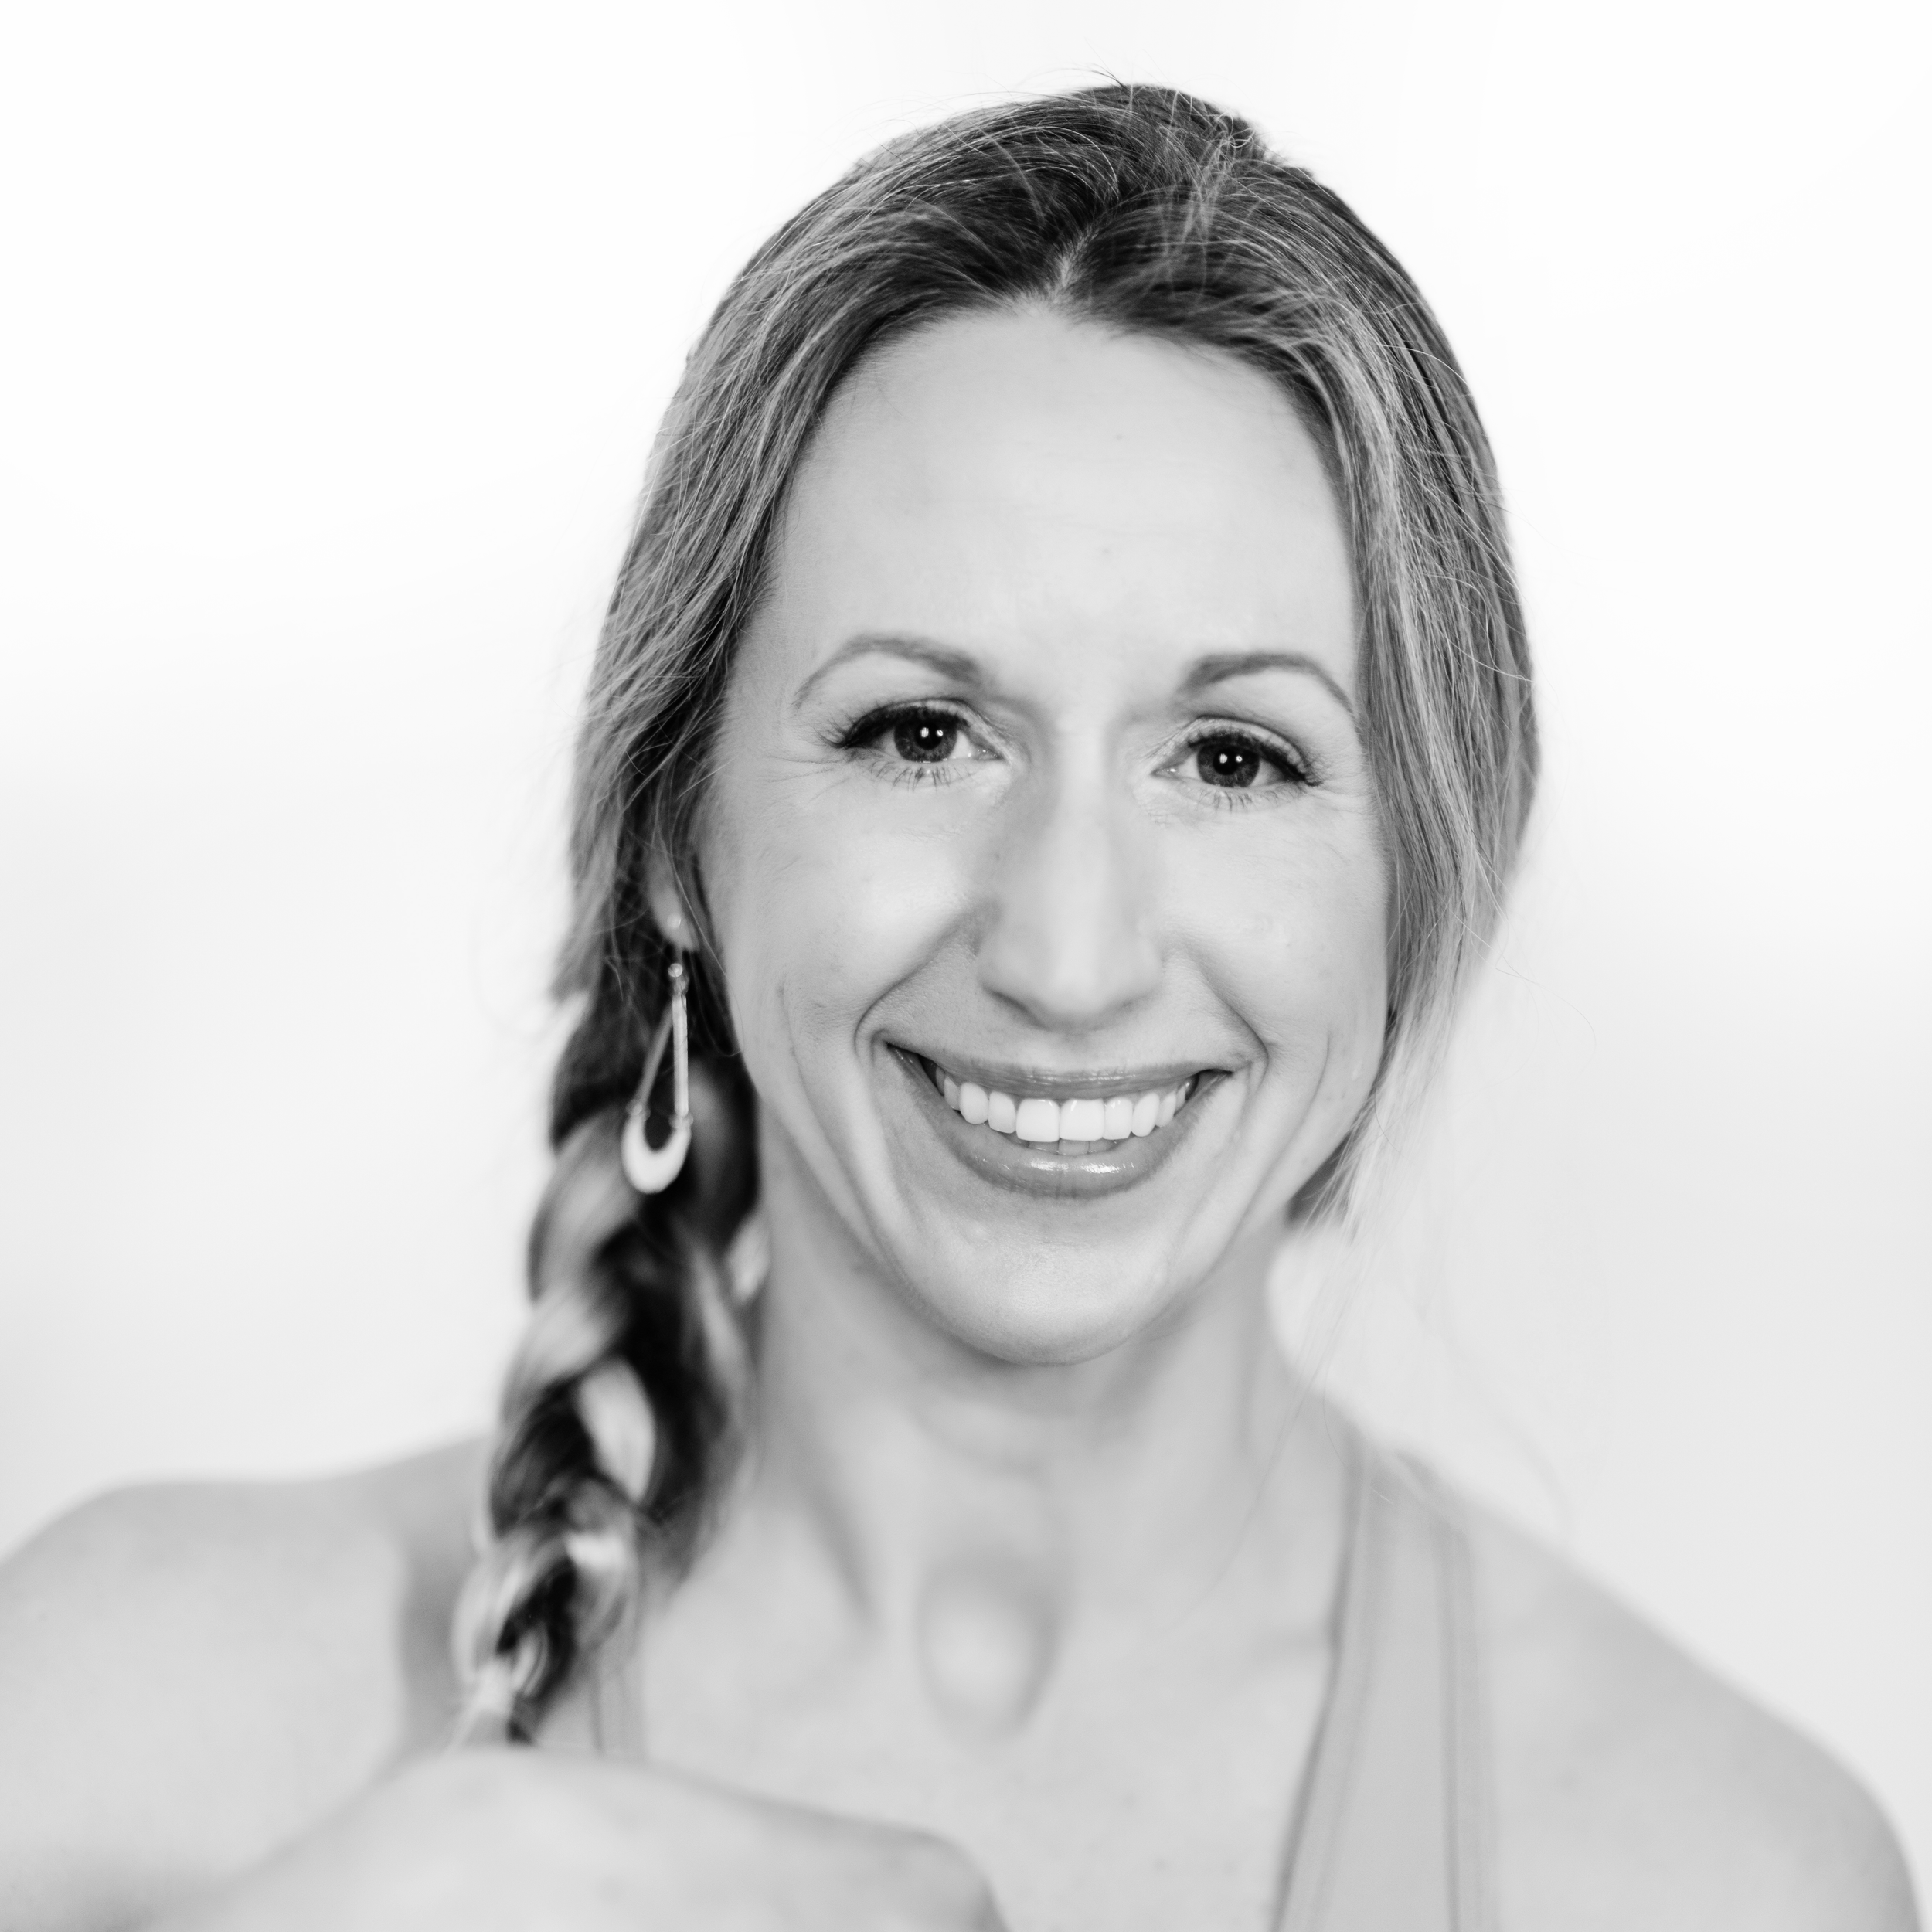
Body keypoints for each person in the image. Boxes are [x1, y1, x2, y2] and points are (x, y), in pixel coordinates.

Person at [0, 83, 1914, 1932]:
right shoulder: (125, 1720)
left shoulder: (1721, 1876)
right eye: (917, 732)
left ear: (1424, 879)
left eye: (1234, 758)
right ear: (679, 834)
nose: (1065, 955)